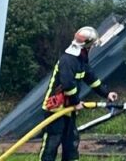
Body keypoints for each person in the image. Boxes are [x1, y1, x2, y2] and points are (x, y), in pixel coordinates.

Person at [39, 27, 118, 161]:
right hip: (55, 109)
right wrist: (76, 102)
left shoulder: (81, 60)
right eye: (92, 45)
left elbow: (91, 78)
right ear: (86, 46)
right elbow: (68, 85)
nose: (93, 48)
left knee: (71, 142)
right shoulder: (68, 61)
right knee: (53, 142)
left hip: (69, 109)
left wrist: (106, 93)